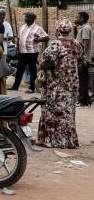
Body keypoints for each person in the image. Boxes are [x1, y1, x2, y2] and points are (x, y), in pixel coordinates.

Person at [37, 19, 85, 149]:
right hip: (72, 84)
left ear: (57, 30)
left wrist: (41, 65)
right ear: (70, 30)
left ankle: (52, 140)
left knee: (53, 112)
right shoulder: (77, 45)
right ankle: (69, 141)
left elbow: (46, 62)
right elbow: (81, 63)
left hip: (56, 85)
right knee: (68, 112)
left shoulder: (55, 45)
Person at [8, 13, 49, 94]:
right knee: (19, 69)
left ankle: (32, 88)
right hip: (22, 52)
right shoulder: (22, 27)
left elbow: (47, 37)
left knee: (32, 70)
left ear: (32, 18)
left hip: (32, 52)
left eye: (27, 17)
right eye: (25, 17)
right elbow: (19, 39)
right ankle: (15, 86)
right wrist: (17, 49)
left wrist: (38, 40)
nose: (25, 18)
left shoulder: (37, 28)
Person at [74, 12, 91, 108]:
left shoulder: (86, 28)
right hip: (82, 58)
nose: (75, 18)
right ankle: (86, 100)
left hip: (83, 59)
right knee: (83, 79)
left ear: (82, 18)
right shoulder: (83, 28)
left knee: (82, 80)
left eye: (77, 17)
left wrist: (81, 58)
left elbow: (84, 45)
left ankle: (82, 102)